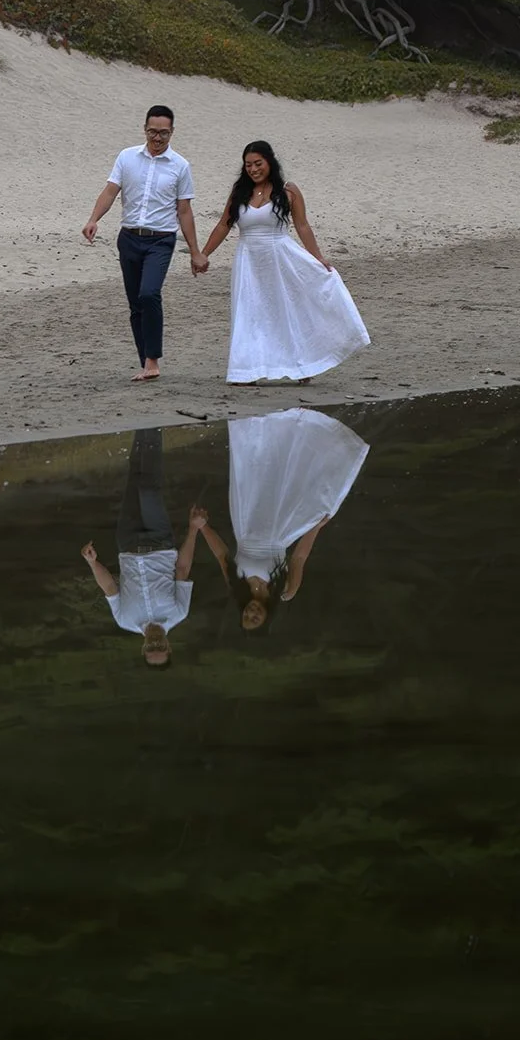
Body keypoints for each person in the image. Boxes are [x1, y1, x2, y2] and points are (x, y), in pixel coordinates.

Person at [198, 139, 369, 385]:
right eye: (248, 165)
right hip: (248, 260)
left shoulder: (288, 190)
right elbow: (224, 224)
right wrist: (204, 253)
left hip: (280, 257)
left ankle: (304, 365)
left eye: (258, 164)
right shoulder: (240, 192)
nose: (253, 169)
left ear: (270, 162)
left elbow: (302, 225)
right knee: (249, 312)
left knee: (286, 310)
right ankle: (246, 370)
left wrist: (317, 257)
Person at [195, 407, 369, 632]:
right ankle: (294, 429)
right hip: (279, 528)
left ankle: (260, 423)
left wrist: (203, 527)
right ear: (267, 618)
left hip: (246, 523)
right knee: (285, 478)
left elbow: (221, 554)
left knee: (255, 474)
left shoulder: (236, 586)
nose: (251, 613)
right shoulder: (286, 590)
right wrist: (315, 527)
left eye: (246, 616)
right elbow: (299, 557)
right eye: (256, 618)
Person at [82, 105, 206, 382]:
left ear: (172, 132)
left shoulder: (180, 166)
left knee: (149, 293)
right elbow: (111, 190)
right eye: (153, 131)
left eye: (164, 133)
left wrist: (195, 251)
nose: (157, 138)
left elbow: (184, 210)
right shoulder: (127, 157)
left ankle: (153, 360)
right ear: (145, 129)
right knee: (136, 303)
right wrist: (94, 219)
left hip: (161, 240)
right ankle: (146, 362)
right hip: (128, 238)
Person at [80, 426, 202, 666]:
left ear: (143, 648)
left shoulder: (125, 620)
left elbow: (110, 588)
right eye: (161, 647)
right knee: (148, 490)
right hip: (160, 542)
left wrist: (93, 563)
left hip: (128, 543)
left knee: (133, 482)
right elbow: (183, 570)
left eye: (151, 648)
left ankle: (140, 426)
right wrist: (193, 529)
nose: (155, 643)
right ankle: (153, 427)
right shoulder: (178, 613)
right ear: (169, 646)